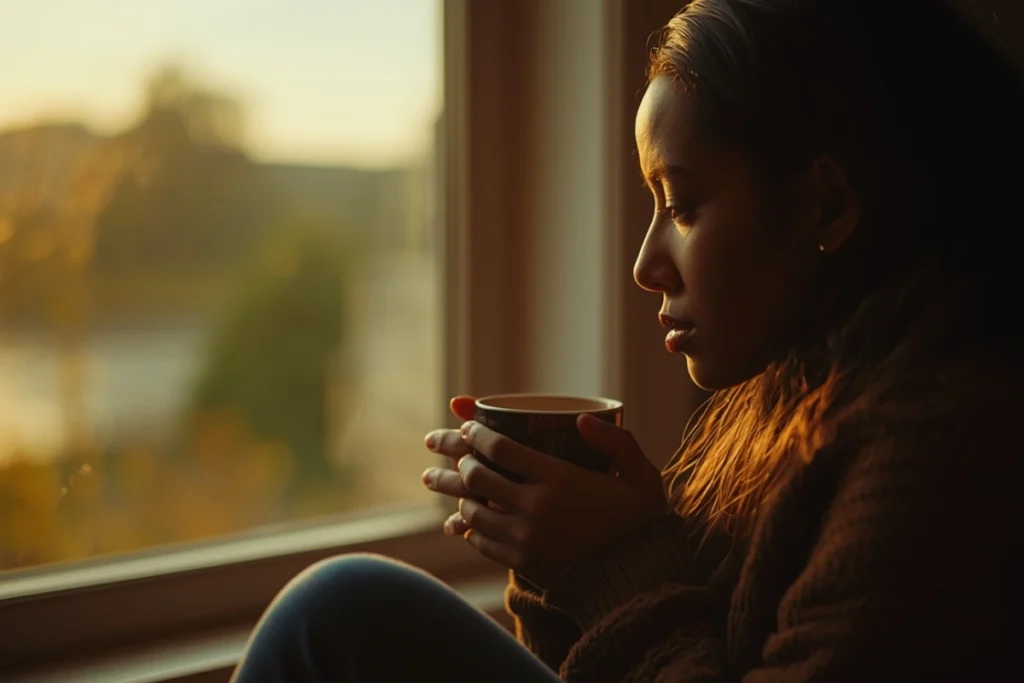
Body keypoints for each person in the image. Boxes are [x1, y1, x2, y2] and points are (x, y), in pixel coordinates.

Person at [230, 0, 1021, 680]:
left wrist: (616, 563)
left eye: (680, 206)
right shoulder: (781, 407)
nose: (645, 266)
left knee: (335, 615)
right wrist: (561, 568)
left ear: (826, 207)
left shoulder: (939, 452)